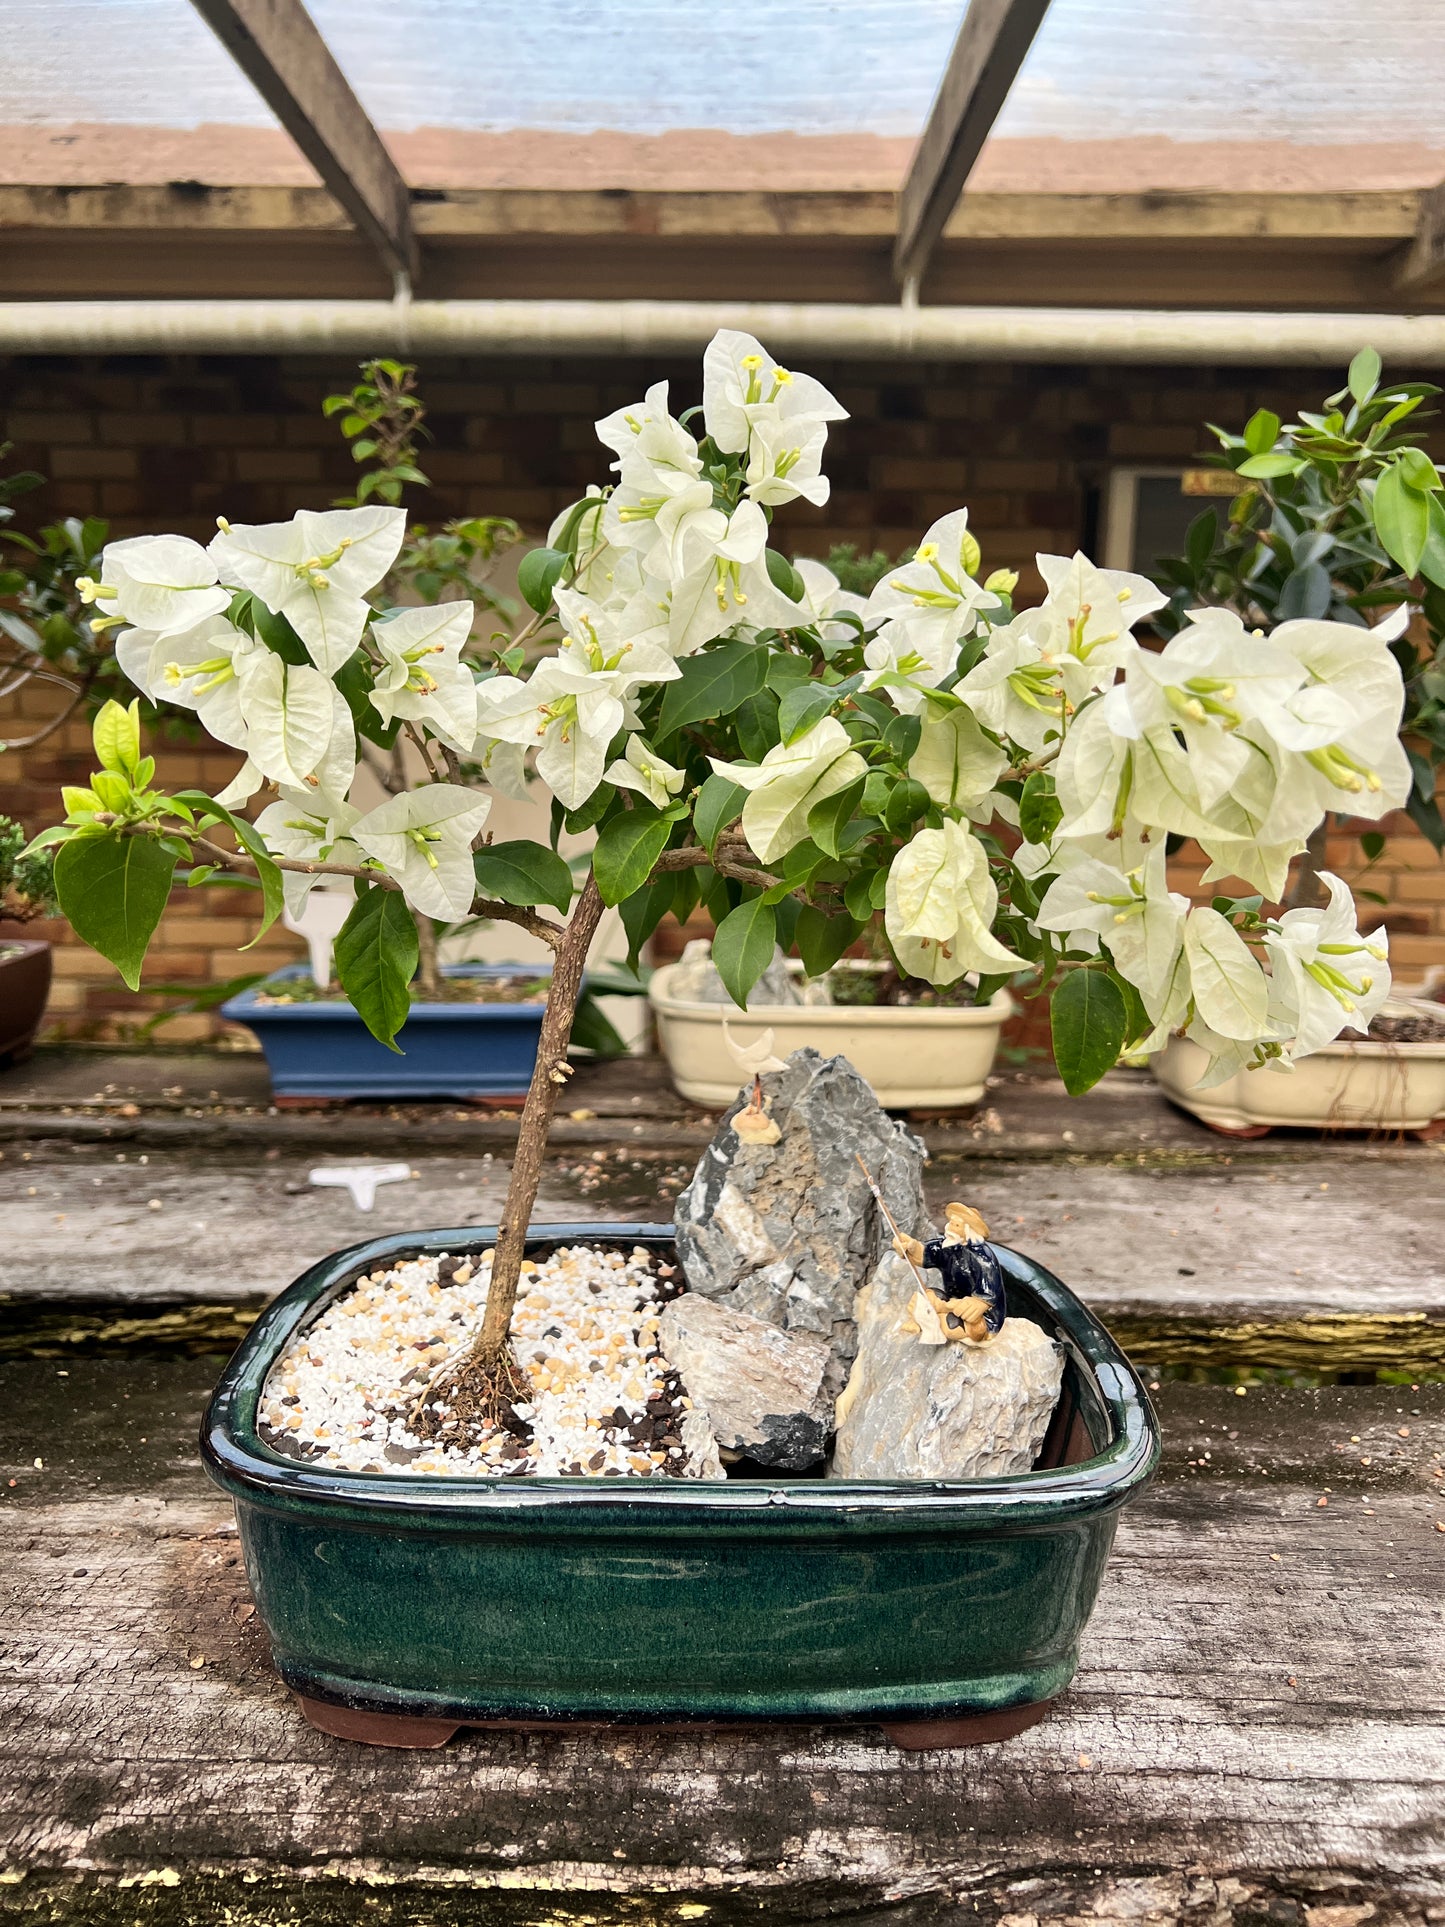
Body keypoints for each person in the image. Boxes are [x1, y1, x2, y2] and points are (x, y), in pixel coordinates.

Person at [893, 1202, 1006, 1343]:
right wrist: (911, 1246)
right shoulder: (948, 1246)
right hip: (953, 1300)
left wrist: (977, 1304)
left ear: (968, 1230)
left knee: (951, 1326)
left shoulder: (982, 1257)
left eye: (956, 1225)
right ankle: (924, 1320)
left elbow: (989, 1290)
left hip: (980, 1313)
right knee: (926, 1296)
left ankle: (933, 1322)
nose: (951, 1227)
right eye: (951, 1223)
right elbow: (926, 1253)